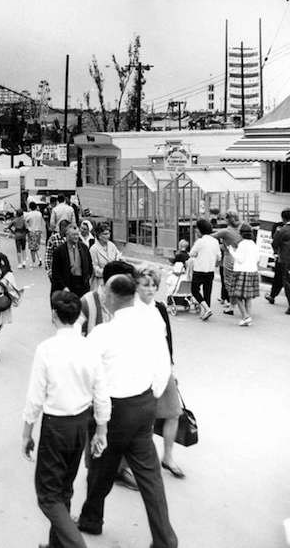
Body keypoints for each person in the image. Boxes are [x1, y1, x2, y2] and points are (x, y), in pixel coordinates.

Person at [77, 275, 177, 548]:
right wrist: (151, 395)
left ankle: (91, 519)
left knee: (100, 468)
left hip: (113, 411)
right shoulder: (150, 325)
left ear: (110, 298)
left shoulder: (103, 333)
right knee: (150, 476)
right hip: (144, 405)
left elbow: (85, 373)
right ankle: (165, 539)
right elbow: (163, 366)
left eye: (105, 293)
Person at [22, 290, 110, 548]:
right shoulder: (89, 347)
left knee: (48, 496)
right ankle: (57, 545)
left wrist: (27, 433)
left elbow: (35, 397)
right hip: (81, 424)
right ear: (78, 317)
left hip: (56, 426)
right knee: (64, 489)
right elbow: (101, 392)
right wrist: (101, 430)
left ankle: (74, 544)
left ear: (54, 315)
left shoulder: (47, 349)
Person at [135, 266, 184, 479]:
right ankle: (139, 463)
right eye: (145, 285)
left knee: (174, 413)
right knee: (144, 421)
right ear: (136, 286)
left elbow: (168, 341)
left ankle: (168, 456)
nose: (150, 289)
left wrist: (171, 368)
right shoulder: (131, 311)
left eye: (154, 285)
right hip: (141, 373)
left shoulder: (160, 308)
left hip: (163, 370)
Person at [270, 208, 290, 315]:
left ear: (283, 218)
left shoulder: (282, 230)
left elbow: (275, 243)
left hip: (285, 259)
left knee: (287, 282)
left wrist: (276, 252)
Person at [227, 223, 260, 326]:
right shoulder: (254, 244)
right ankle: (248, 317)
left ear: (241, 234)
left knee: (237, 296)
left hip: (241, 271)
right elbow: (257, 259)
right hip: (252, 271)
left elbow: (240, 259)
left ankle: (245, 316)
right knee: (248, 297)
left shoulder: (242, 244)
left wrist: (231, 250)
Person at [189, 218, 221, 321]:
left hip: (199, 270)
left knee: (194, 290)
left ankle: (206, 309)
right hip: (210, 271)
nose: (196, 231)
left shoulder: (200, 241)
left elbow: (191, 253)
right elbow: (219, 257)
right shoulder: (215, 241)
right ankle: (206, 311)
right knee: (207, 292)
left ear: (201, 230)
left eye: (197, 229)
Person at [50, 224, 93, 299]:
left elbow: (89, 266)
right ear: (67, 235)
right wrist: (63, 287)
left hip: (82, 285)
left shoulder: (84, 248)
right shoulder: (59, 251)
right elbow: (55, 272)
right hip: (67, 285)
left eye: (77, 234)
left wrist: (86, 280)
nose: (76, 237)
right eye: (73, 235)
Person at [213, 210, 242, 315]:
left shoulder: (225, 231)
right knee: (238, 282)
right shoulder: (241, 230)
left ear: (227, 219)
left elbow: (211, 236)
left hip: (229, 258)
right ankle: (232, 305)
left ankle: (233, 306)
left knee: (229, 283)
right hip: (240, 258)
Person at [89, 222, 122, 290]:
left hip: (113, 280)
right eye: (105, 234)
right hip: (100, 283)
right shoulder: (93, 249)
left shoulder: (112, 245)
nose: (108, 236)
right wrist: (108, 271)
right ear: (99, 235)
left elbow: (118, 256)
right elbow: (94, 269)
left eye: (109, 233)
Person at [25, 201, 44, 268]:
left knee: (32, 248)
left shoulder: (29, 214)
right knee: (37, 247)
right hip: (38, 231)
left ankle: (33, 262)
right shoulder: (39, 213)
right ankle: (40, 259)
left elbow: (26, 221)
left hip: (32, 232)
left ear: (30, 207)